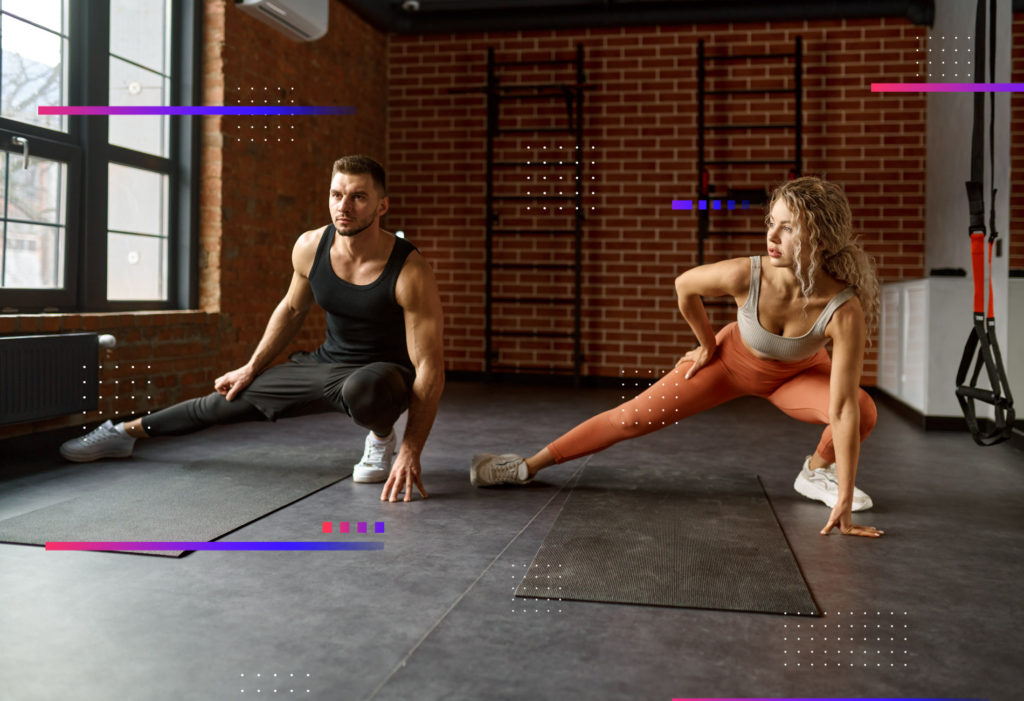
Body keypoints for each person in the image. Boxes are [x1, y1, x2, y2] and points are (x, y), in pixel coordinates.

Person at [471, 176, 884, 537]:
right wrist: (706, 342)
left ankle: (816, 473)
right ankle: (527, 466)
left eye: (788, 228)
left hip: (797, 376)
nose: (772, 236)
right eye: (770, 223)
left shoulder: (843, 309)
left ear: (822, 238)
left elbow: (844, 409)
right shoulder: (746, 273)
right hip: (731, 362)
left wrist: (844, 503)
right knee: (630, 418)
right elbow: (684, 285)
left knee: (862, 409)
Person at [61, 156, 444, 503]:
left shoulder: (409, 270)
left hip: (383, 374)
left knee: (366, 389)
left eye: (358, 197)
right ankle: (122, 434)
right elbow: (293, 308)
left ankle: (381, 438)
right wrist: (252, 366)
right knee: (222, 403)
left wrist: (411, 449)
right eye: (336, 194)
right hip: (325, 365)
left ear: (382, 205)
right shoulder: (310, 247)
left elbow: (429, 368)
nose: (343, 207)